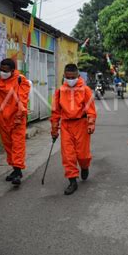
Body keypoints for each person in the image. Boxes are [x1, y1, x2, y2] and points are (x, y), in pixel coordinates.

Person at [51, 64, 97, 195]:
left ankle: (84, 166)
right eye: (68, 77)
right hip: (66, 126)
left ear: (78, 76)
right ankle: (72, 181)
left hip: (81, 124)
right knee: (68, 155)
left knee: (82, 154)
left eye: (73, 77)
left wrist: (91, 123)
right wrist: (54, 129)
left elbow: (91, 110)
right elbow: (55, 112)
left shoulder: (86, 90)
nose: (70, 79)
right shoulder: (59, 91)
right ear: (64, 76)